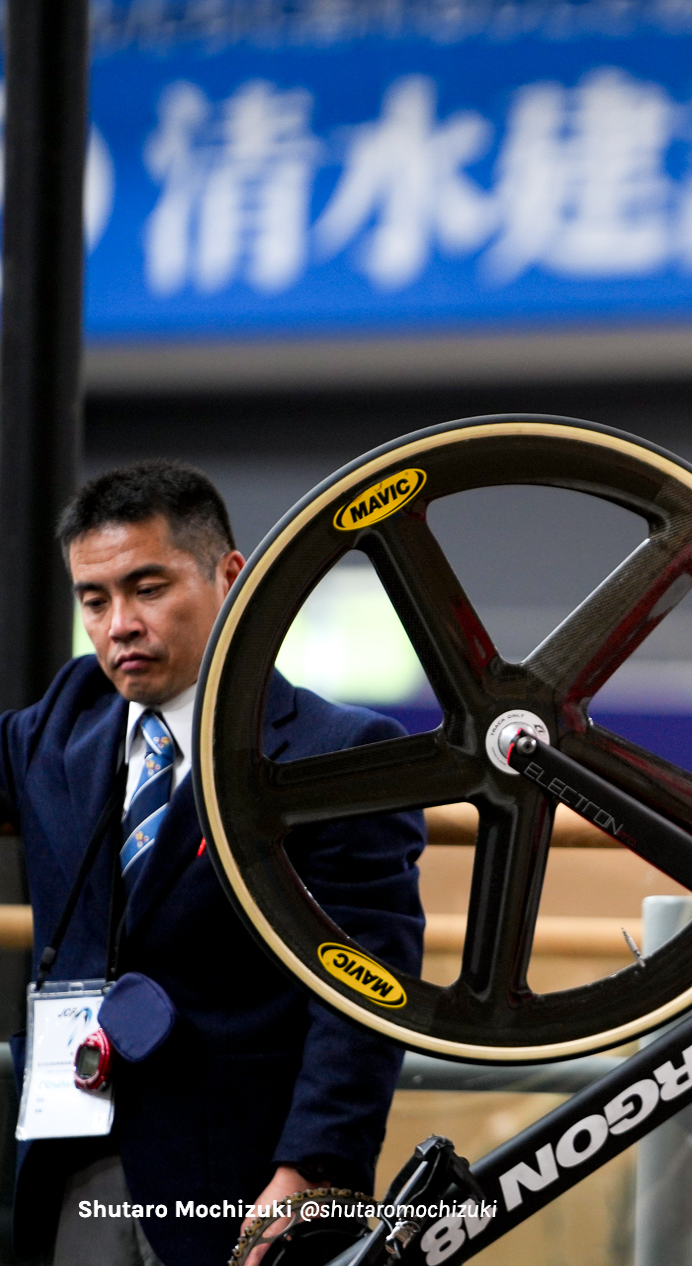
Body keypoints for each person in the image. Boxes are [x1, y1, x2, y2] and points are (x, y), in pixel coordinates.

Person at [0, 462, 425, 1266]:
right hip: (73, 1168)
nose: (119, 623)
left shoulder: (338, 753)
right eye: (95, 599)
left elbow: (366, 984)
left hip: (244, 1187)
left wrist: (314, 1169)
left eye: (148, 587)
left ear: (230, 576)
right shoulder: (63, 720)